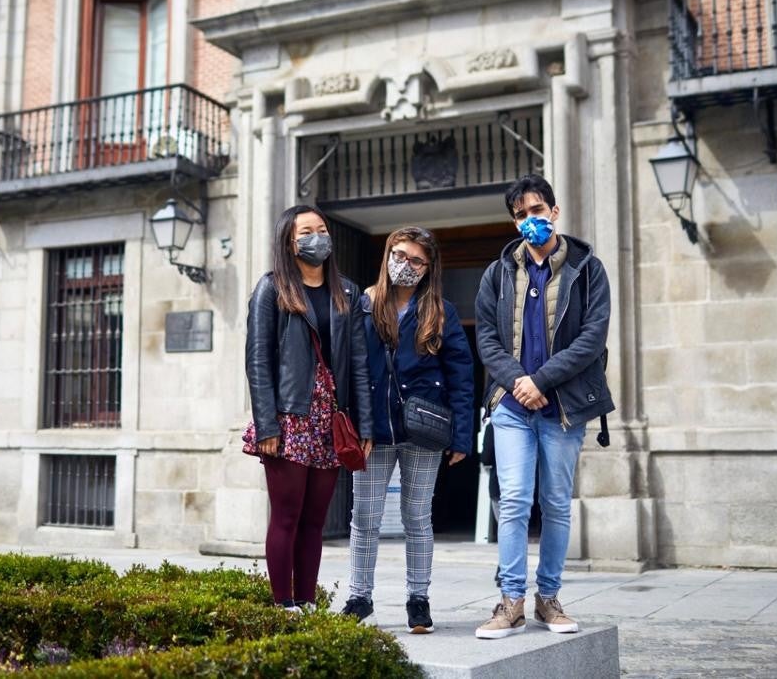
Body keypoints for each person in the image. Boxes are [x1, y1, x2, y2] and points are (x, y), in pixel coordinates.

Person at [474, 174, 614, 638]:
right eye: (520, 214)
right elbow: (487, 339)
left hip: (563, 406)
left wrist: (541, 381)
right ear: (513, 222)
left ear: (554, 212)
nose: (529, 220)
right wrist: (518, 382)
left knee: (555, 503)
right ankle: (511, 599)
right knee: (513, 499)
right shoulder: (498, 273)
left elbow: (592, 339)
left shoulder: (587, 268)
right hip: (513, 405)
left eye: (537, 210)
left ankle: (548, 598)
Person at [341, 226, 474, 633]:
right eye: (399, 255)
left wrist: (461, 435)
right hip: (373, 432)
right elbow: (352, 369)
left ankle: (419, 600)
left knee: (417, 516)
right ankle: (359, 598)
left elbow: (461, 375)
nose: (405, 265)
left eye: (416, 260)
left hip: (424, 430)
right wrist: (356, 424)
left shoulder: (441, 311)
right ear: (387, 255)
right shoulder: (363, 305)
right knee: (364, 516)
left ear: (428, 266)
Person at [244, 204, 374, 612]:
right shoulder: (272, 289)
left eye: (322, 229)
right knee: (286, 516)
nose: (317, 237)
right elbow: (258, 360)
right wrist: (266, 424)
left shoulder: (346, 292)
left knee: (315, 521)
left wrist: (363, 425)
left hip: (329, 420)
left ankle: (307, 600)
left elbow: (358, 363)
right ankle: (284, 603)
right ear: (289, 240)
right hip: (288, 419)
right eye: (307, 231)